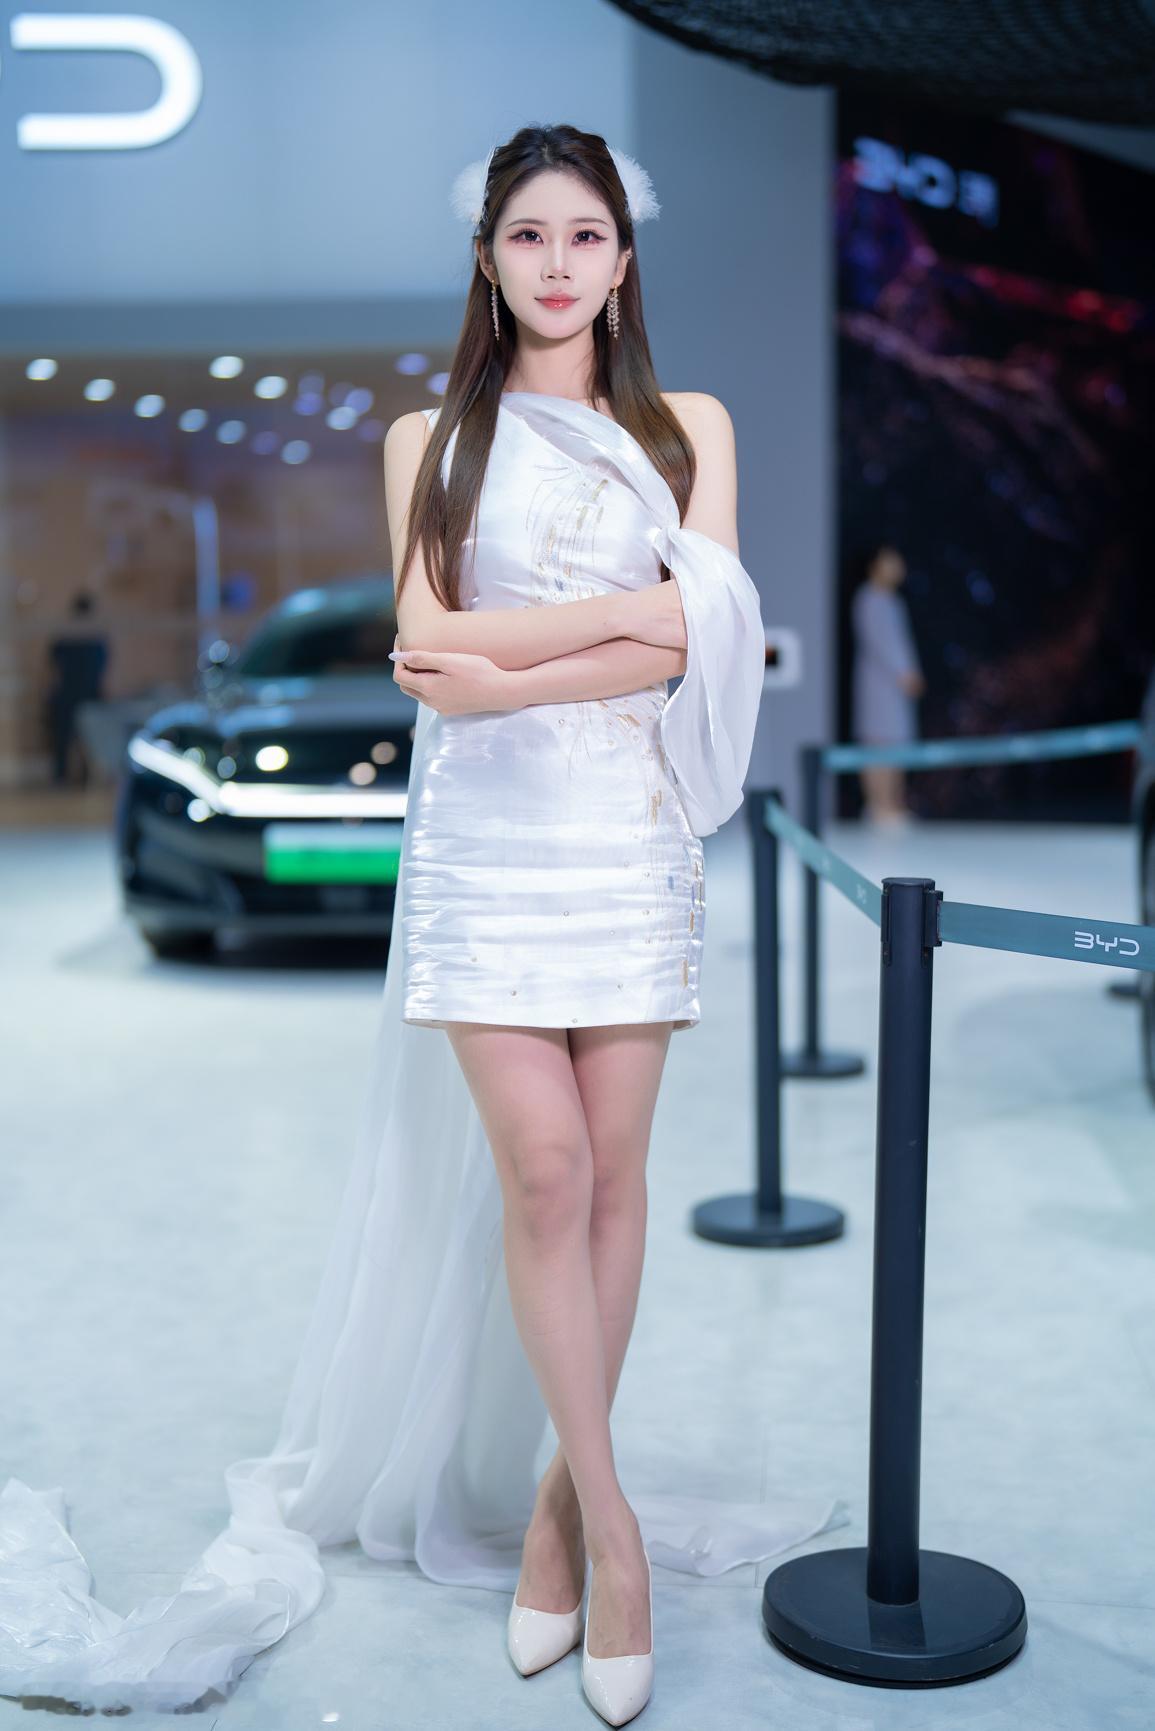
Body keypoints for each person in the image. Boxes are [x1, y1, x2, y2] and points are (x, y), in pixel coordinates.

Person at [0, 125, 843, 1722]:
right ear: (484, 256)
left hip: (629, 839)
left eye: (583, 234)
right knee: (544, 1167)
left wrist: (549, 650)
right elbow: (426, 652)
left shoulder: (689, 428)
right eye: (526, 234)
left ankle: (560, 1510)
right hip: (487, 845)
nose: (555, 262)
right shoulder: (429, 440)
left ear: (623, 258)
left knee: (613, 1177)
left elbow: (698, 643)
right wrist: (629, 616)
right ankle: (619, 1538)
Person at [850, 543, 926, 825]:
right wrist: (903, 672)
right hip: (880, 685)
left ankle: (892, 804)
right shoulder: (868, 598)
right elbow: (879, 643)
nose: (897, 568)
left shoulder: (893, 601)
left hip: (897, 686)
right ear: (875, 565)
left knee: (895, 744)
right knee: (877, 744)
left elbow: (901, 645)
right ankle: (877, 805)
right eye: (890, 561)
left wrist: (910, 672)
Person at [45, 591, 108, 786]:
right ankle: (70, 775)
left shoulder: (87, 636)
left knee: (82, 737)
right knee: (72, 736)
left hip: (78, 693)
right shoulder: (84, 636)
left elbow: (54, 663)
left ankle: (76, 775)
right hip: (78, 693)